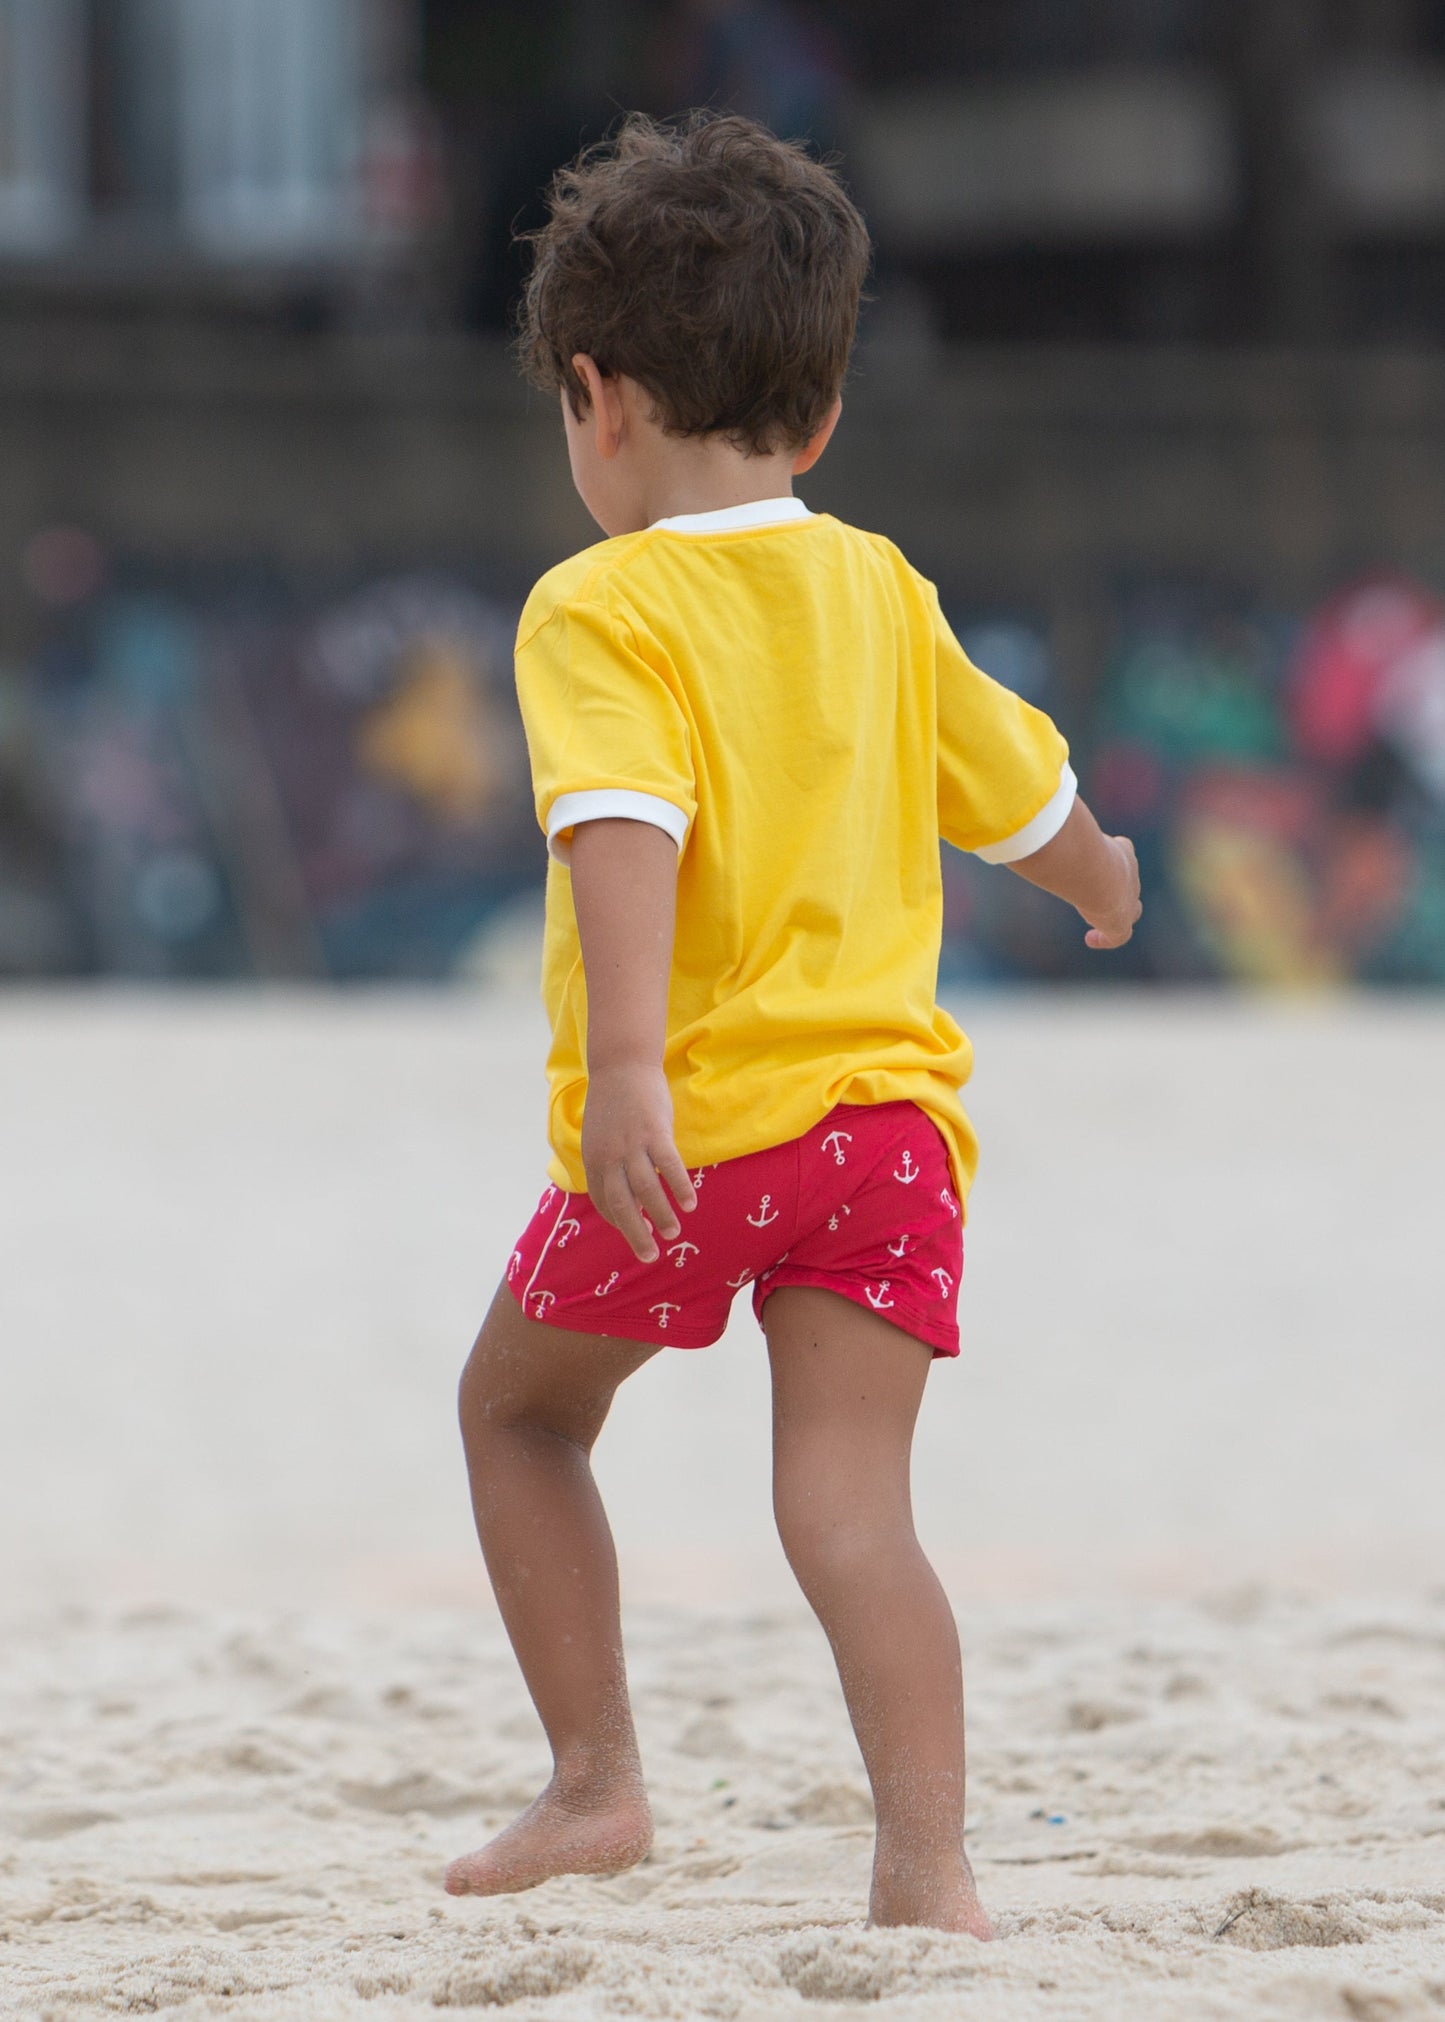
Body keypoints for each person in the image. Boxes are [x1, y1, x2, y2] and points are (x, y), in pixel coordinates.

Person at [444, 112, 1140, 1935]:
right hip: (891, 1140)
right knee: (849, 1515)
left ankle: (595, 1783)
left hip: (699, 1129)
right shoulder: (879, 588)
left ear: (592, 397)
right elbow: (1016, 798)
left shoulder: (598, 606)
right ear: (821, 417)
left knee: (516, 1415)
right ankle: (928, 1868)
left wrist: (620, 1073)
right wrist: (1101, 883)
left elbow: (620, 830)